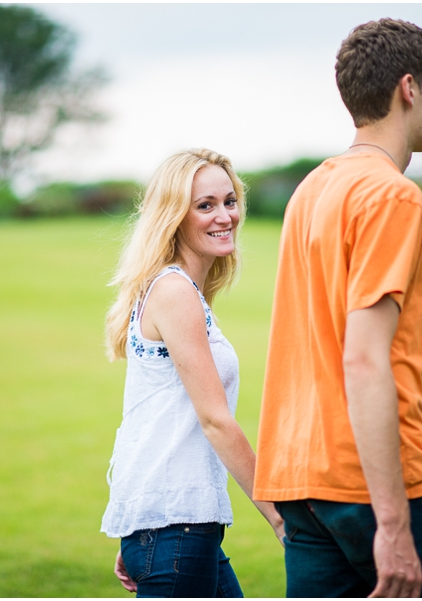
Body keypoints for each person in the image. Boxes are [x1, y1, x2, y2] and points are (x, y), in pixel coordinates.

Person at [252, 19, 422, 598]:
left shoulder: (311, 189)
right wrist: (393, 524)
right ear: (407, 88)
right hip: (375, 482)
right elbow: (363, 358)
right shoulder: (391, 193)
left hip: (301, 480)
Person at [101, 148, 284, 597]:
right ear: (174, 217)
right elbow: (215, 421)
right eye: (205, 205)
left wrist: (138, 523)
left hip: (174, 531)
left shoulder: (175, 290)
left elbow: (142, 415)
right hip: (176, 535)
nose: (225, 216)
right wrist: (281, 516)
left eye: (229, 201)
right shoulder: (174, 292)